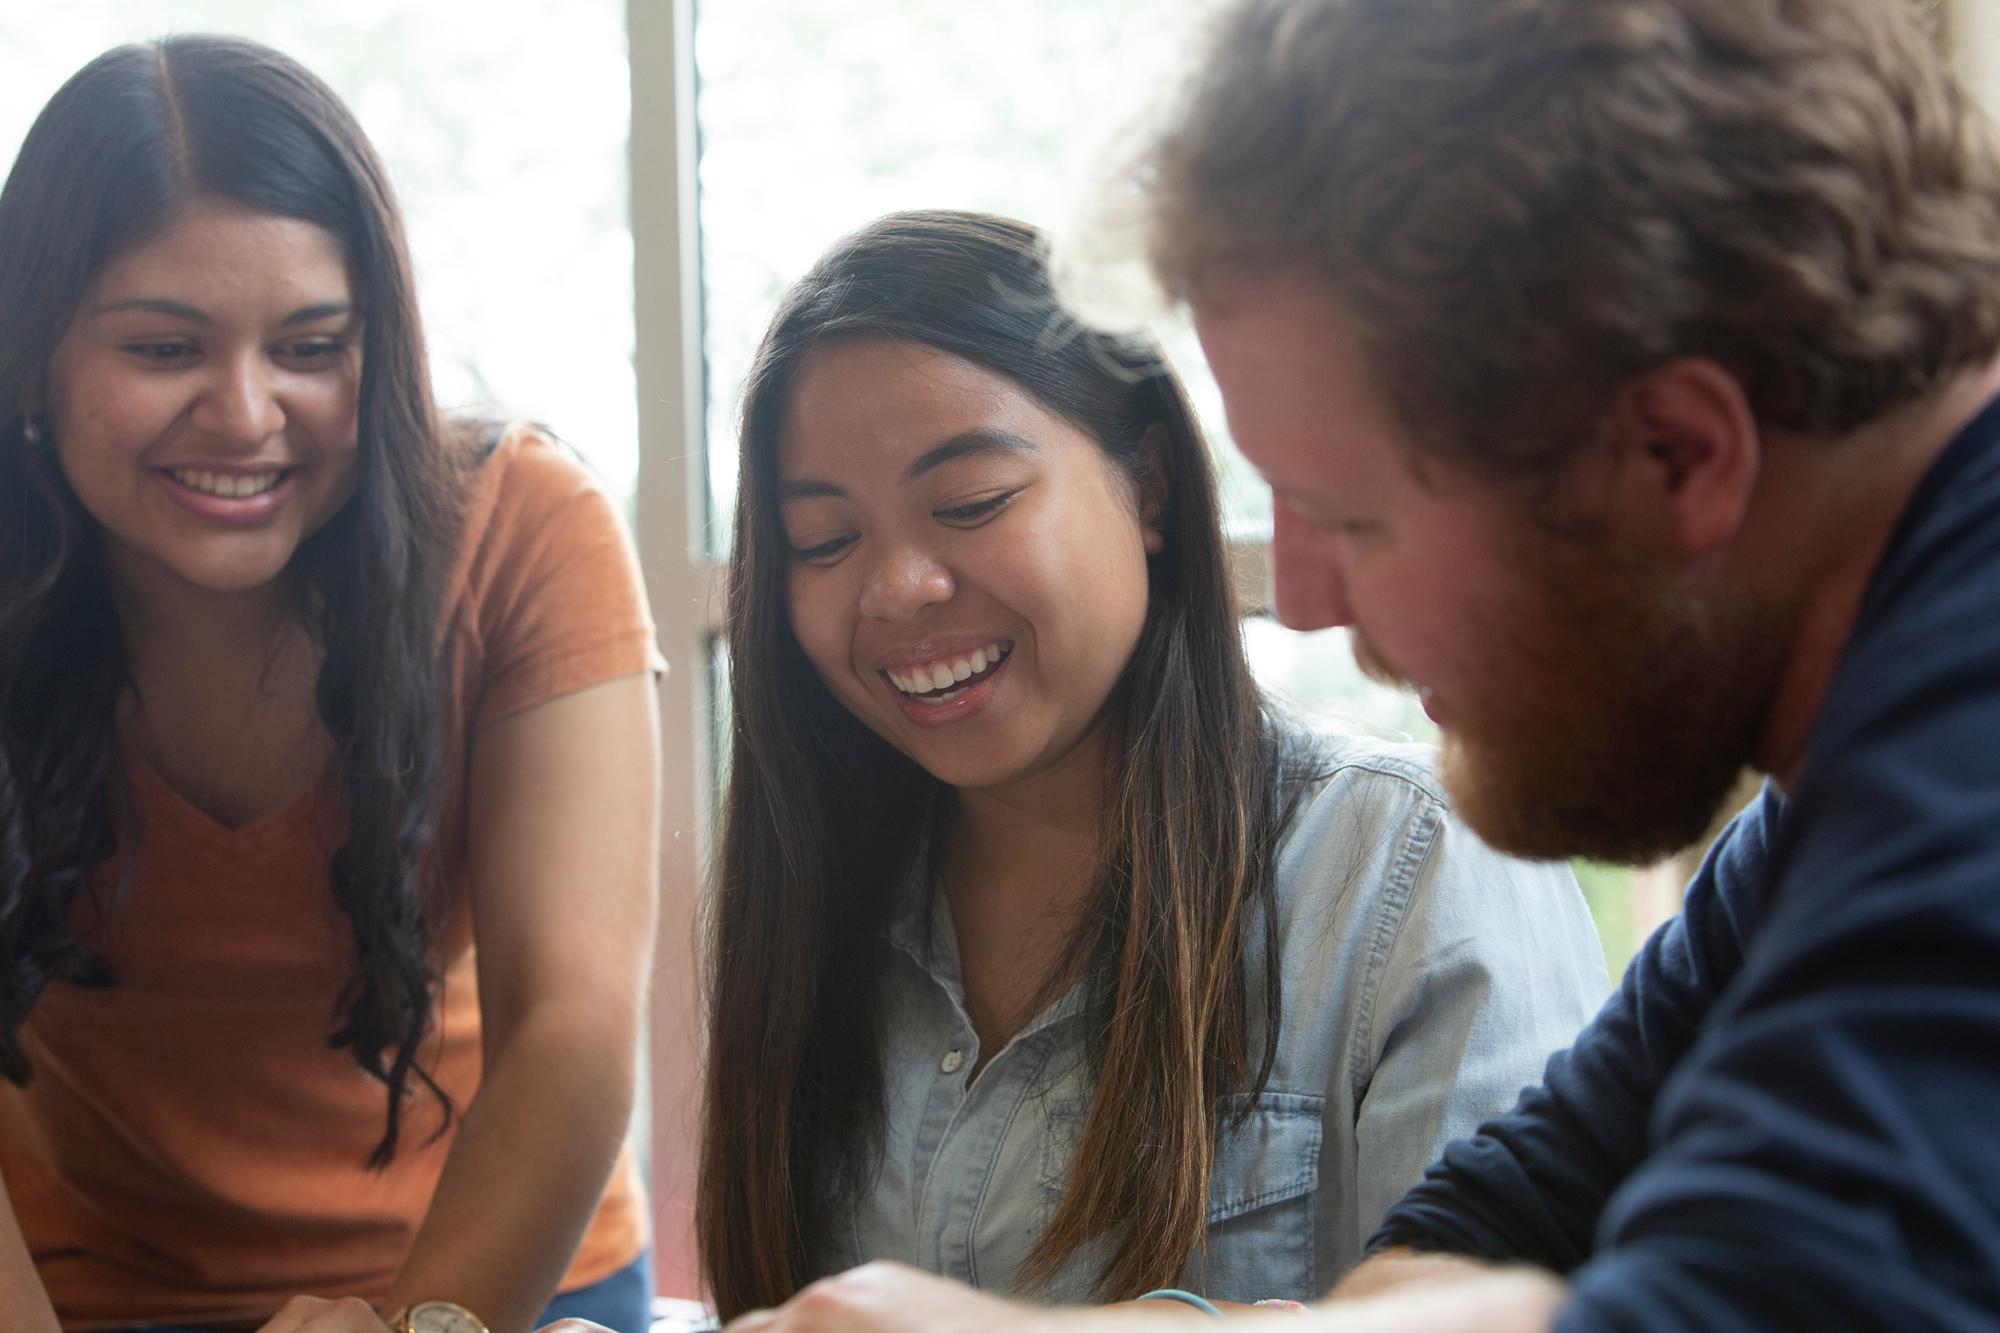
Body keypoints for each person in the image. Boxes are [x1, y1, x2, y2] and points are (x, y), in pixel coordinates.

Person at [709, 0, 2000, 1330]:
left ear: (1675, 455)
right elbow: (1508, 1219)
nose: (1309, 601)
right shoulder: (1821, 807)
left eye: (1354, 515)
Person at [695, 209, 1606, 1320]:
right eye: (824, 542)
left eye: (970, 503)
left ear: (1154, 485)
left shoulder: (1404, 867)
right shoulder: (816, 899)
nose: (896, 589)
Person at [0, 37, 662, 1333]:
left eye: (313, 345)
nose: (247, 413)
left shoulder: (525, 527)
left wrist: (423, 1328)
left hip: (500, 1279)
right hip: (90, 1289)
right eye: (162, 347)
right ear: (33, 362)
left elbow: (573, 1028)